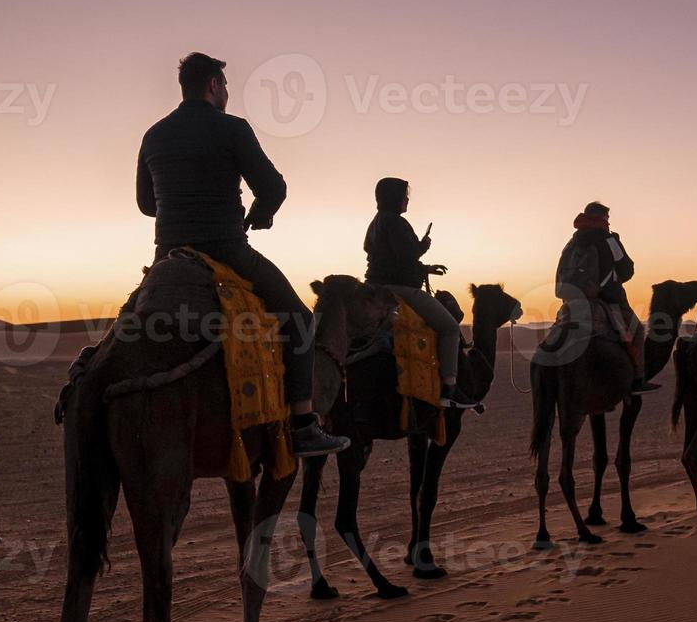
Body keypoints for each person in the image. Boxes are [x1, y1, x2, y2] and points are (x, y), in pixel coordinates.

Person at [136, 52, 348, 457]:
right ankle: (303, 423)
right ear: (214, 85)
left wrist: (178, 201)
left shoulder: (154, 135)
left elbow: (147, 204)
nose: (228, 93)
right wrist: (260, 213)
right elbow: (273, 187)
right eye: (226, 86)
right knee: (300, 321)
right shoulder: (232, 128)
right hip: (226, 250)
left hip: (168, 255)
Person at [363, 177, 478, 409]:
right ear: (394, 197)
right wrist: (424, 245)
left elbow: (391, 259)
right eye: (404, 195)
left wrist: (426, 268)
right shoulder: (396, 222)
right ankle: (450, 388)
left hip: (375, 287)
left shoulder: (376, 223)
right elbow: (407, 255)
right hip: (399, 290)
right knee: (450, 328)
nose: (407, 199)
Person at [554, 202, 658, 393]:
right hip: (608, 300)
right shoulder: (609, 240)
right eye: (608, 219)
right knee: (636, 331)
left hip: (572, 301)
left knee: (558, 332)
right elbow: (626, 271)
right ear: (603, 218)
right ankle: (637, 379)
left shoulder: (572, 242)